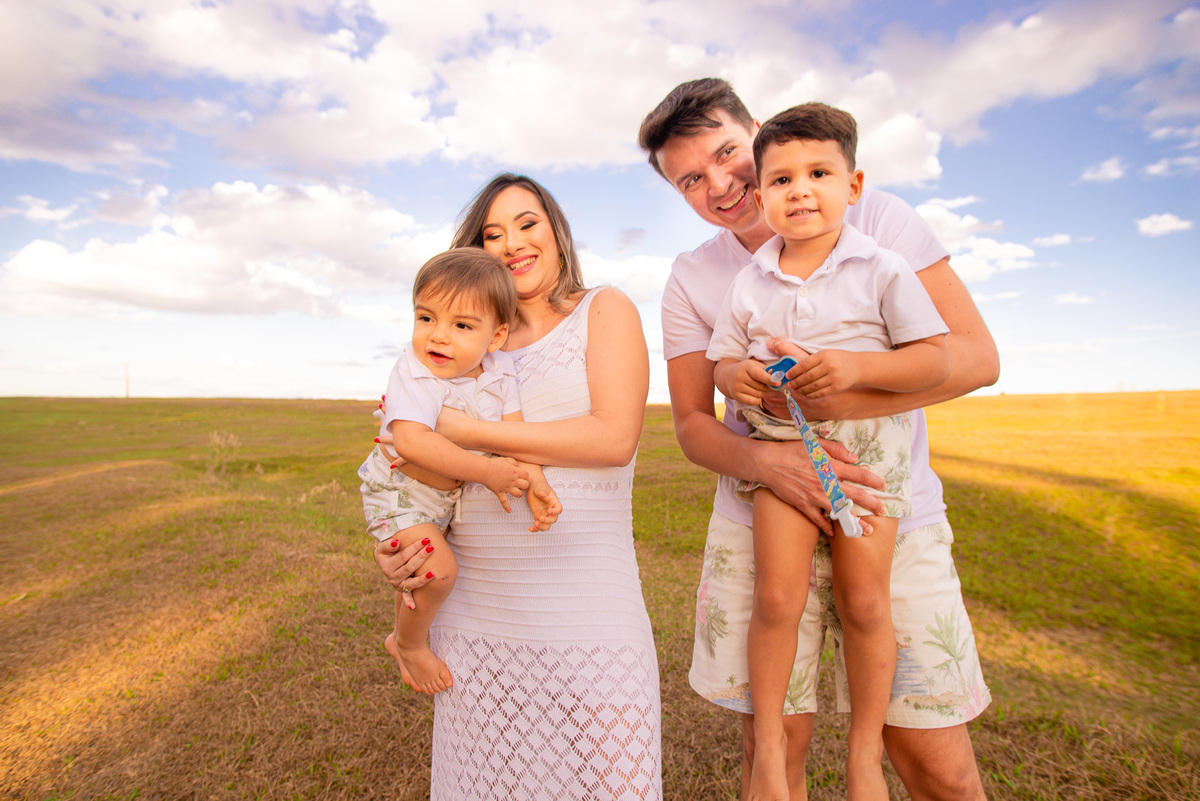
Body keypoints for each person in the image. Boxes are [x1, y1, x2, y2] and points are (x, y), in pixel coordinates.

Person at [639, 78, 996, 801]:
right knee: (775, 754)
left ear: (760, 131)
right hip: (762, 515)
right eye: (690, 180)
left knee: (935, 762)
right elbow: (691, 421)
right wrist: (767, 459)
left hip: (886, 503)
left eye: (729, 153)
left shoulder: (878, 225)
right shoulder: (697, 277)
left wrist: (842, 397)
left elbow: (975, 358)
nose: (720, 184)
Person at [374, 174, 661, 799]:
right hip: (482, 603)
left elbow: (614, 440)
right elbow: (407, 454)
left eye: (528, 223)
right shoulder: (458, 336)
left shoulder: (603, 309)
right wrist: (402, 537)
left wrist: (463, 430)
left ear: (555, 231)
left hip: (590, 602)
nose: (514, 243)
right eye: (493, 233)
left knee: (615, 776)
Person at [707, 102, 952, 801]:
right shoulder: (751, 280)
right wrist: (741, 378)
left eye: (819, 172)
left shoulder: (882, 268)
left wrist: (852, 368)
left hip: (870, 456)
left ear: (855, 184)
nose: (800, 190)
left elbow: (933, 359)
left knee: (866, 601)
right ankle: (769, 752)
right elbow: (723, 364)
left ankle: (866, 753)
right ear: (760, 197)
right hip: (785, 453)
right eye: (781, 180)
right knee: (778, 595)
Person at [358, 247, 562, 695]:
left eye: (462, 326)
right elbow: (411, 442)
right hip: (400, 490)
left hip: (440, 499)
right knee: (440, 570)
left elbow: (514, 432)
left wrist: (534, 480)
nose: (438, 337)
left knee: (420, 567)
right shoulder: (415, 371)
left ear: (496, 337)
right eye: (425, 318)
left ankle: (405, 631)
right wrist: (486, 473)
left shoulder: (501, 369)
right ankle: (408, 643)